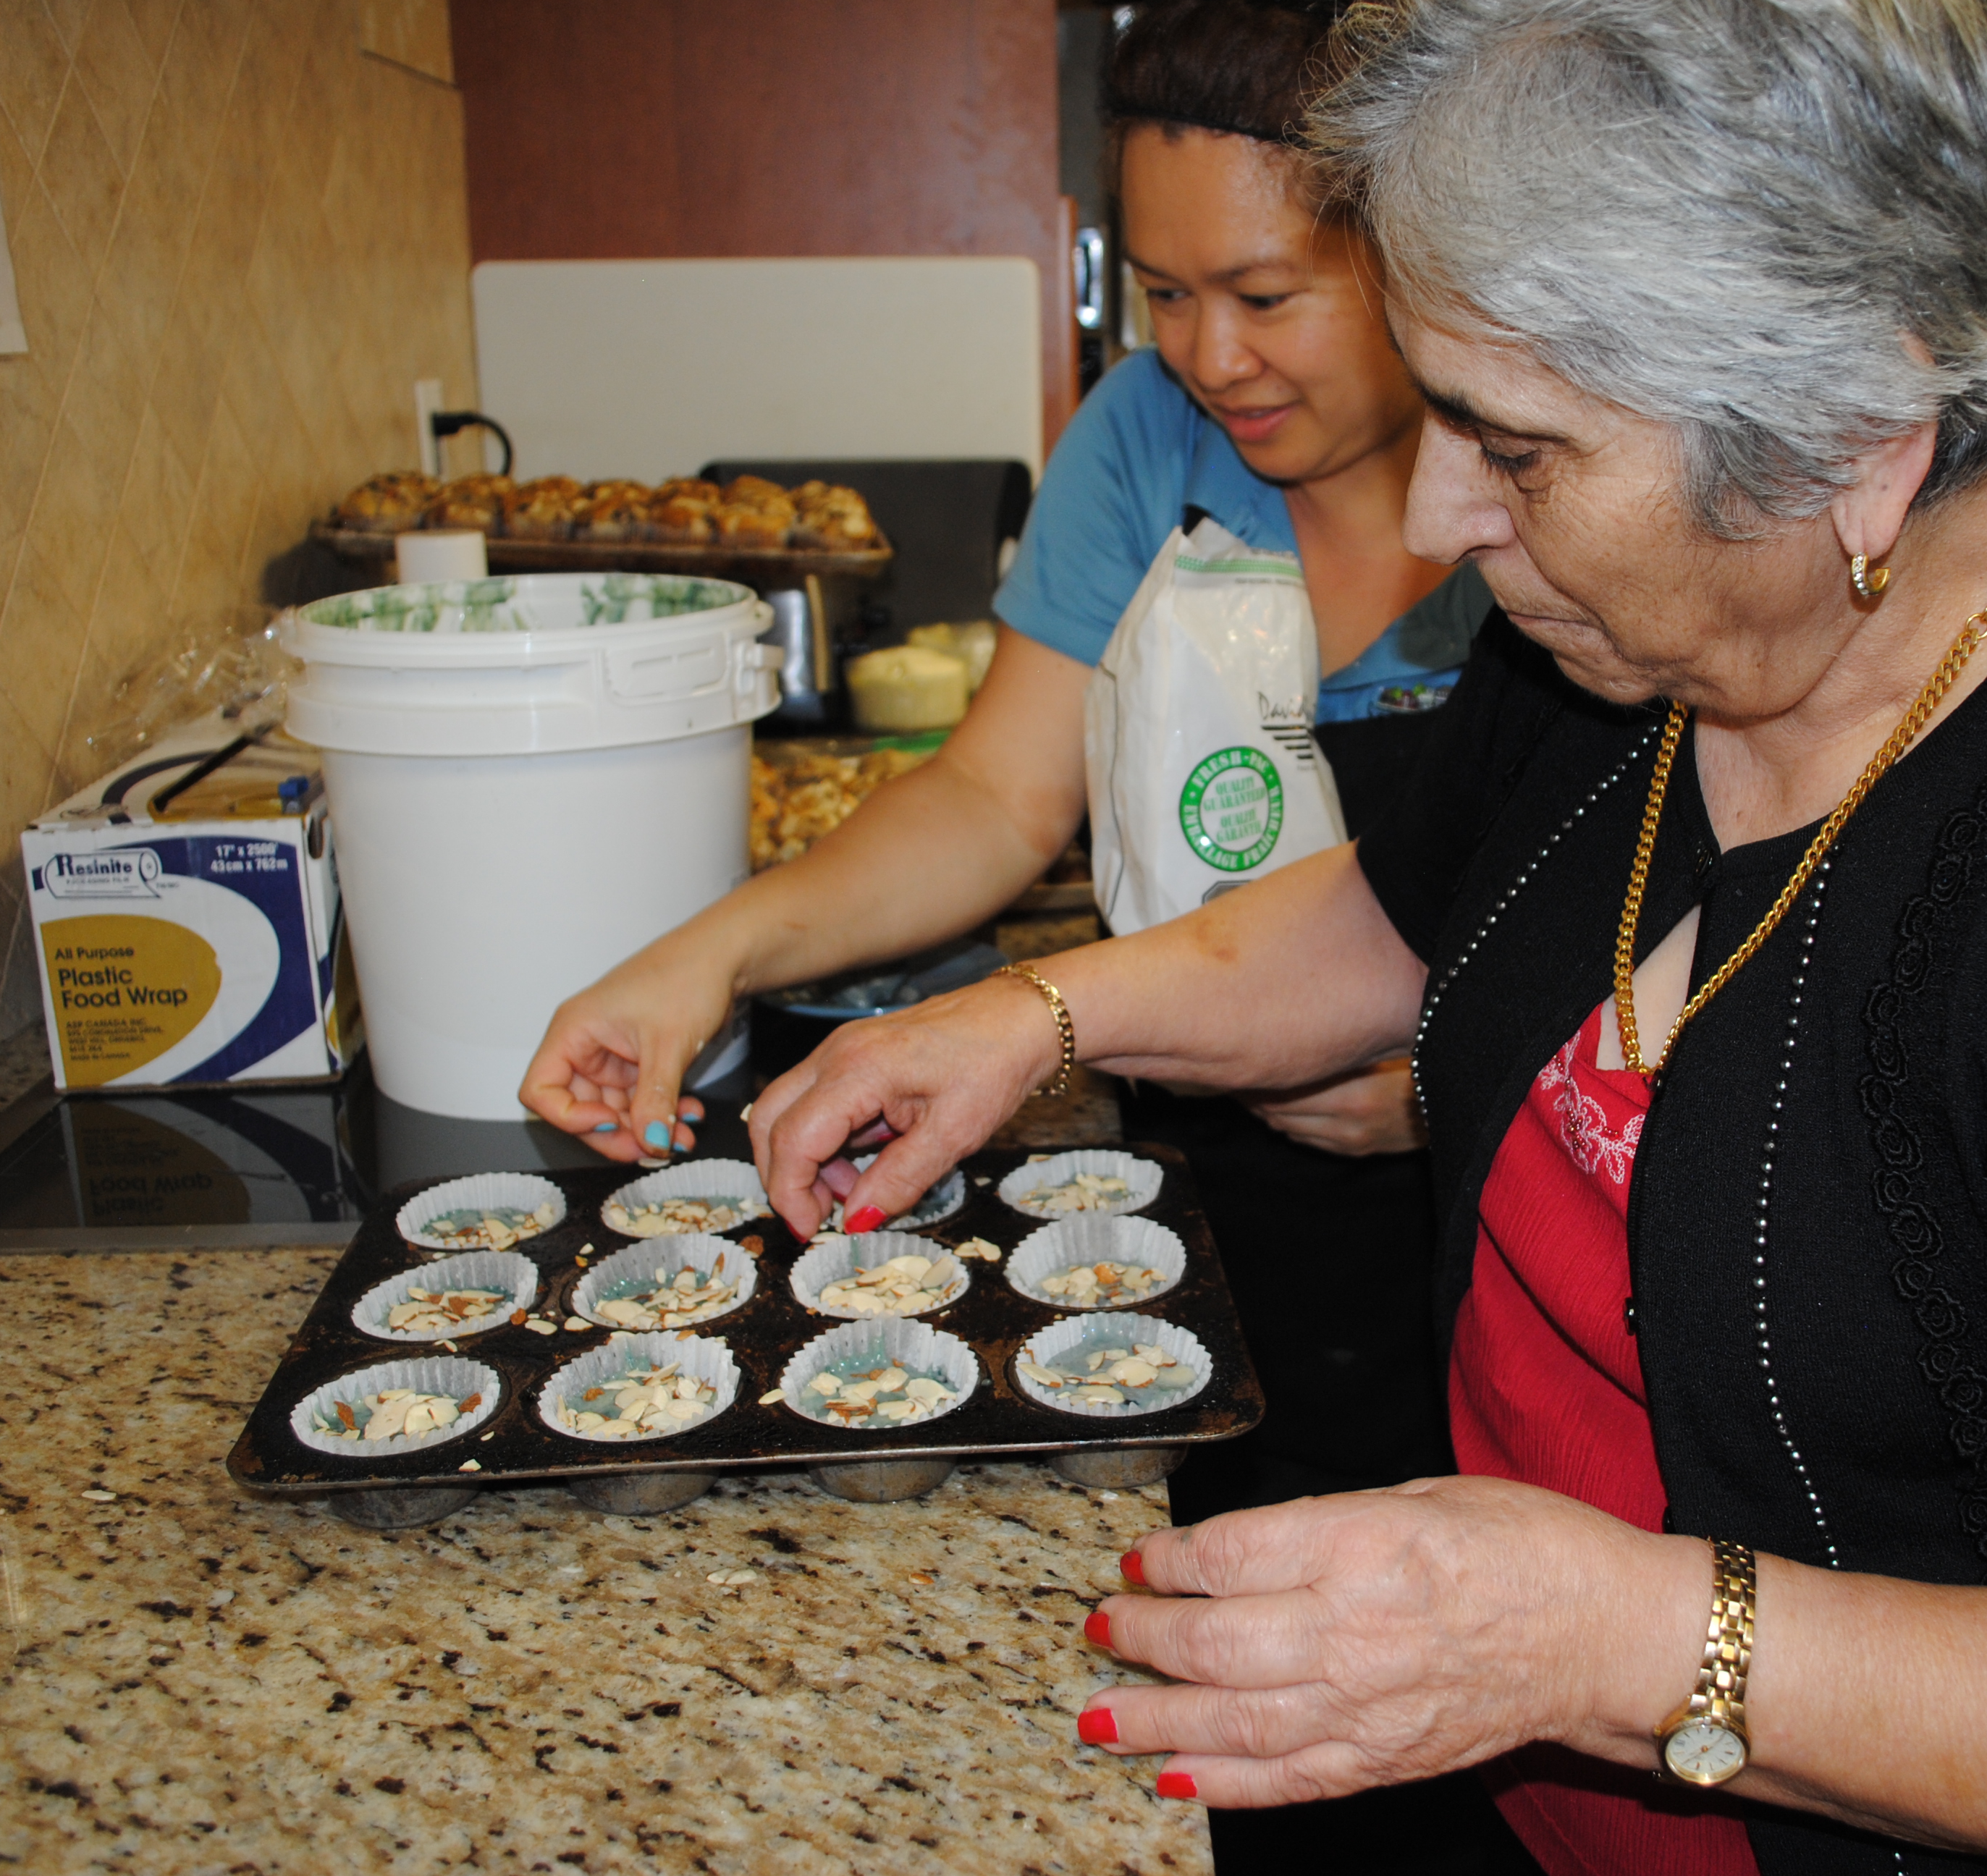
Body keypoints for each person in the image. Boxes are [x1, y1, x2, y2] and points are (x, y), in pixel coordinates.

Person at [743, 1, 1987, 1870]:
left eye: (1515, 450)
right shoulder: (1677, 603)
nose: (1451, 516)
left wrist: (1601, 1642)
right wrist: (1039, 1014)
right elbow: (1410, 903)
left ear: (1856, 444)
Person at [520, 3, 1530, 1869]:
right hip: (1217, 1201)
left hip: (1508, 1250)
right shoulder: (1150, 439)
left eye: (1265, 294)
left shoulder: (1551, 479)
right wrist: (715, 951)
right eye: (1160, 292)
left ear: (1424, 259)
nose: (1204, 356)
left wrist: (1452, 1088)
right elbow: (999, 798)